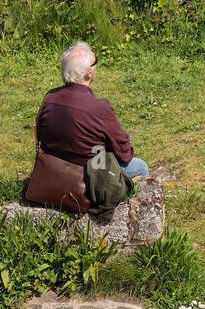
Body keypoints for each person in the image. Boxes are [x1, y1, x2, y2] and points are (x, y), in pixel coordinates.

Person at [36, 41, 150, 194]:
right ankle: (130, 209)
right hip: (88, 178)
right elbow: (124, 152)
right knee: (140, 167)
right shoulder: (100, 108)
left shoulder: (50, 97)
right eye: (95, 62)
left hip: (53, 171)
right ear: (89, 72)